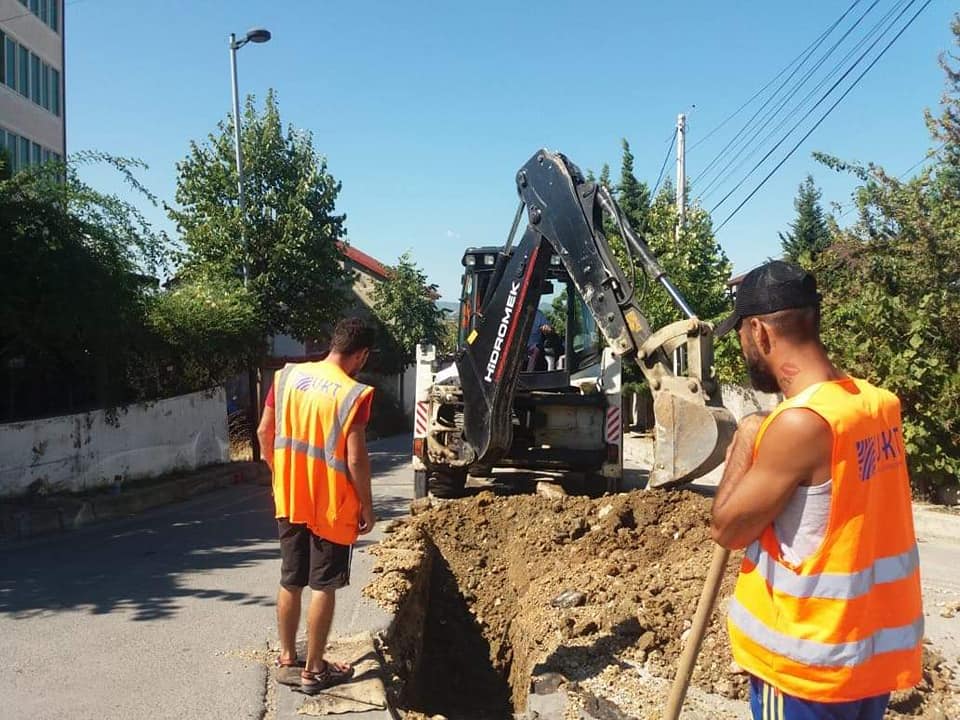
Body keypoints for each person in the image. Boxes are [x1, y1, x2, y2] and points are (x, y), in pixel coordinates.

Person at [710, 261, 922, 719]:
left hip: (803, 671)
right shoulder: (876, 406)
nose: (745, 349)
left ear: (760, 332)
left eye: (743, 337)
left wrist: (748, 432)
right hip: (865, 664)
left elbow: (727, 528)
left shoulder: (800, 425)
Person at [257, 318, 376, 694]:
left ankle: (288, 659)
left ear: (333, 344)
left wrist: (281, 472)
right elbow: (355, 459)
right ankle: (314, 671)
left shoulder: (288, 376)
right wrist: (368, 509)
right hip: (331, 506)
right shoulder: (351, 392)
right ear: (361, 355)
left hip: (290, 497)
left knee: (291, 578)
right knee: (324, 584)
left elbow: (264, 432)